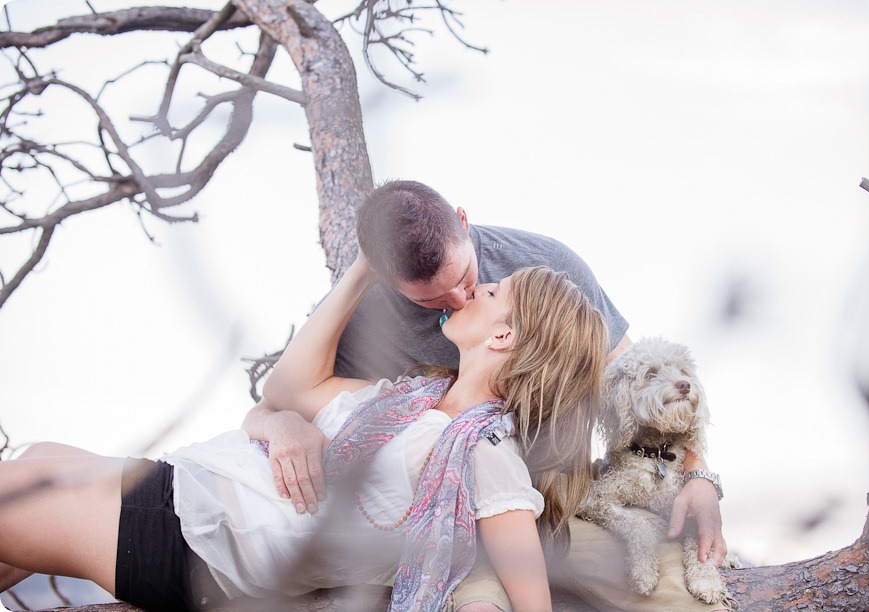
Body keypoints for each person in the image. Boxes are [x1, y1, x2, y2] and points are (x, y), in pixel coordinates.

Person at [0, 258, 609, 611]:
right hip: (187, 488)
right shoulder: (409, 398)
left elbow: (534, 603)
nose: (478, 288)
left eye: (494, 293)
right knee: (38, 455)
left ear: (502, 338)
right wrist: (362, 273)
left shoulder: (484, 450)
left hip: (192, 541)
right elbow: (287, 394)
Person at [268, 180, 729, 611]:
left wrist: (698, 475)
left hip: (554, 505)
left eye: (467, 277)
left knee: (665, 578)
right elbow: (295, 395)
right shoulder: (367, 320)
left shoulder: (544, 273)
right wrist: (280, 422)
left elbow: (644, 385)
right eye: (431, 300)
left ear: (464, 222)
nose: (459, 299)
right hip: (445, 521)